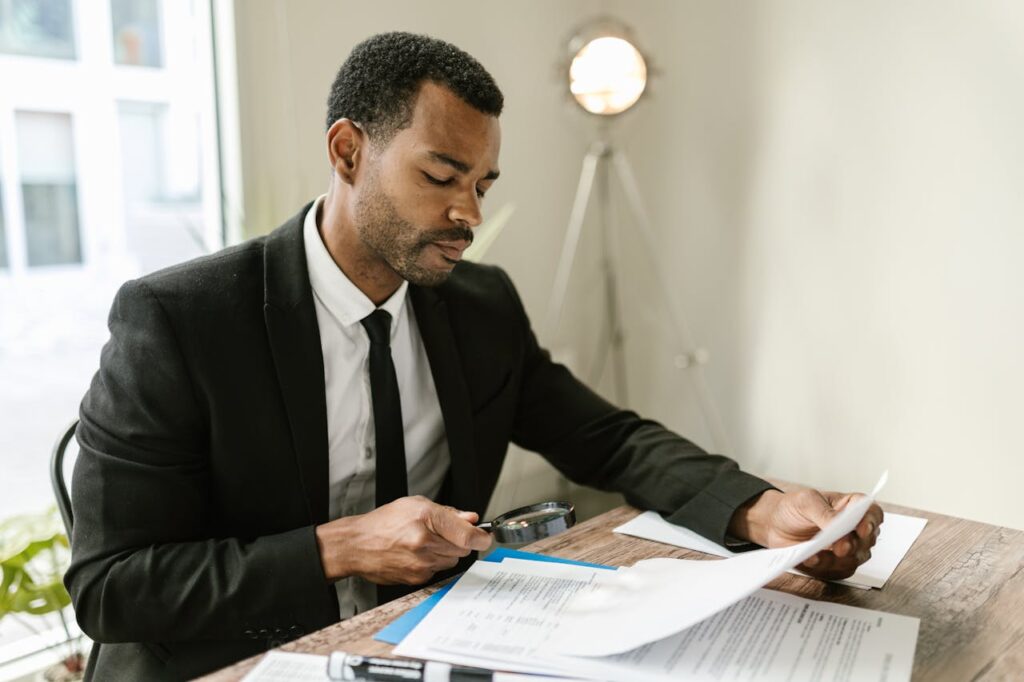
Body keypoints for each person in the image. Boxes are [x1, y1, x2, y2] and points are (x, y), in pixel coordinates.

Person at [65, 32, 882, 681]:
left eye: (484, 185)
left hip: (426, 644)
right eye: (442, 175)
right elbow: (113, 589)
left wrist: (754, 507)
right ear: (348, 152)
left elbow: (609, 439)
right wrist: (338, 547)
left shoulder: (478, 306)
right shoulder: (181, 320)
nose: (467, 213)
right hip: (235, 662)